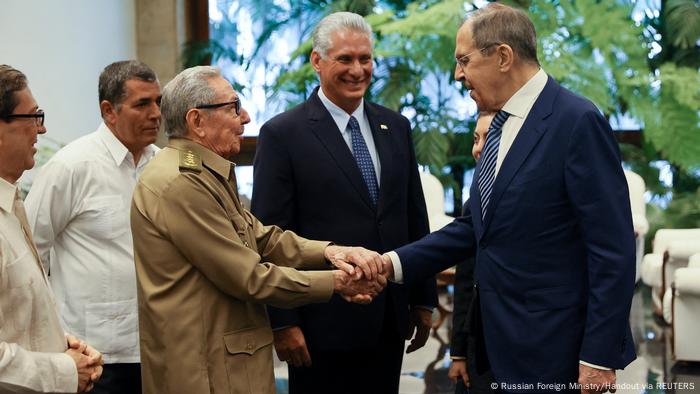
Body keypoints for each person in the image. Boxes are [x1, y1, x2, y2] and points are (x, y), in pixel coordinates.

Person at [383, 3, 637, 393]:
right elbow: (476, 228)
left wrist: (599, 357)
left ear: (502, 56)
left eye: (463, 60)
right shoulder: (496, 126)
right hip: (489, 349)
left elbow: (612, 251)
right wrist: (391, 264)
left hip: (555, 353)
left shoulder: (577, 122)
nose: (458, 75)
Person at [130, 65, 386, 394]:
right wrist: (336, 282)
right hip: (203, 370)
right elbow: (249, 277)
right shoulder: (180, 183)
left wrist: (331, 252)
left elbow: (261, 236)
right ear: (197, 121)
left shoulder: (203, 172)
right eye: (233, 107)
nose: (246, 117)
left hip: (224, 359)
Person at [251, 12, 437, 394]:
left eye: (365, 59)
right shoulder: (283, 134)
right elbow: (269, 235)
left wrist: (423, 298)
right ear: (317, 62)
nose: (358, 70)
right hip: (322, 324)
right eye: (345, 59)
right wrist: (283, 323)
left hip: (389, 316)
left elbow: (413, 218)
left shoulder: (396, 126)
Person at [25, 60, 161, 394]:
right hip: (96, 353)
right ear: (109, 110)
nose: (156, 113)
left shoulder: (162, 165)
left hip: (159, 345)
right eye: (142, 104)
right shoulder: (71, 167)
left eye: (158, 101)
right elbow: (29, 253)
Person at [0, 64, 103, 393]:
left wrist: (58, 344)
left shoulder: (12, 202)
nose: (41, 130)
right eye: (33, 116)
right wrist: (62, 370)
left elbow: (15, 315)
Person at [448, 111, 496, 394]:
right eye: (475, 139)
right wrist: (458, 353)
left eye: (488, 138)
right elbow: (465, 282)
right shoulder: (473, 203)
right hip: (479, 342)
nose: (478, 148)